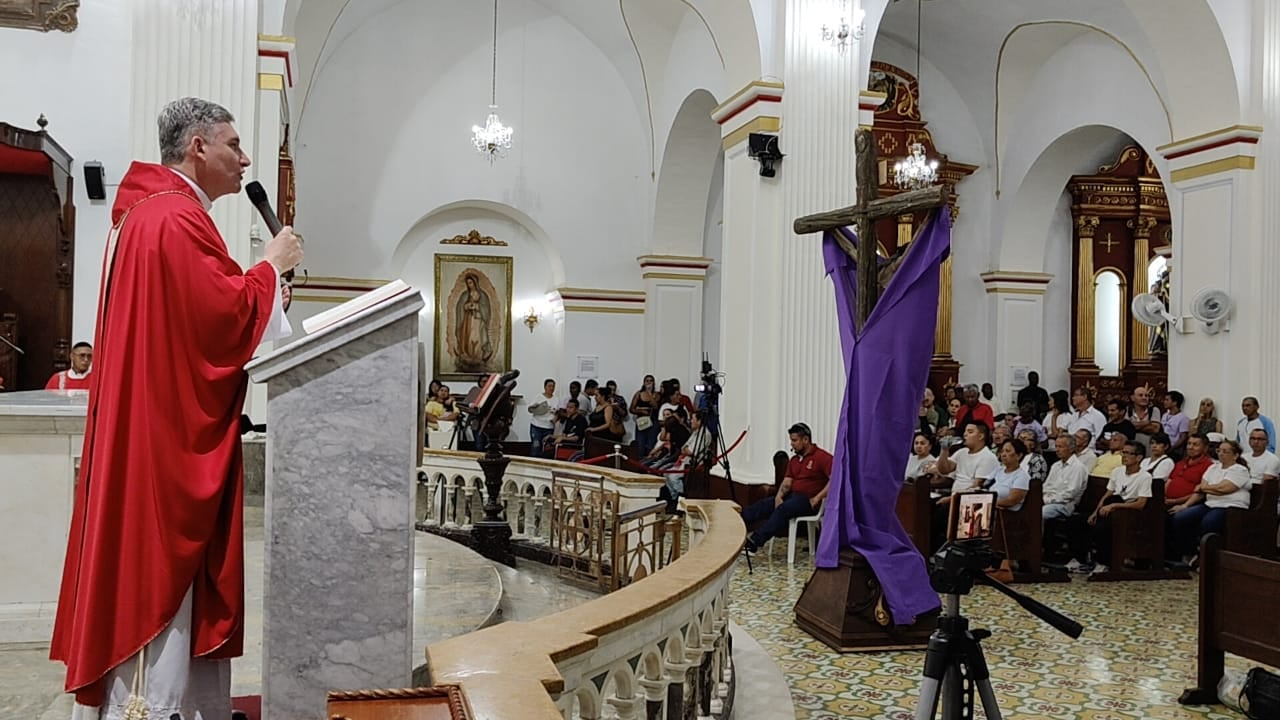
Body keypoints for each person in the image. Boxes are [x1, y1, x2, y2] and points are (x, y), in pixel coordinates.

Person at [50, 97, 303, 719]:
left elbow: (202, 317)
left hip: (151, 432)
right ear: (198, 147)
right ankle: (152, 707)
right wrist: (270, 268)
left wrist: (263, 282)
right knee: (158, 579)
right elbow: (215, 323)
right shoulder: (173, 218)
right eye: (234, 145)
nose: (245, 159)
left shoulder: (151, 212)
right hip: (164, 449)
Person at [742, 423, 833, 554]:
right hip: (793, 497)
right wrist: (779, 496)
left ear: (806, 440)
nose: (792, 444)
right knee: (764, 505)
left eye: (795, 440)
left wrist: (818, 498)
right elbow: (787, 482)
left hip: (809, 501)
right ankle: (733, 527)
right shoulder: (794, 460)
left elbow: (835, 479)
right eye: (791, 440)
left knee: (783, 509)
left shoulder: (823, 457)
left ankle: (755, 542)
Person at [1073, 441, 1153, 574]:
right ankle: (1081, 560)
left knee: (1101, 528)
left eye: (1128, 453)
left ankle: (1104, 562)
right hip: (1108, 509)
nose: (1124, 456)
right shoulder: (1117, 471)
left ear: (1138, 458)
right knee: (1076, 521)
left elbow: (1141, 503)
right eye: (1123, 452)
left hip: (1127, 514)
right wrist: (1095, 512)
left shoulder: (1145, 477)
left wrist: (1115, 506)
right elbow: (1107, 494)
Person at [1169, 439, 1253, 563]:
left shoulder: (1239, 470)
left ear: (1235, 455)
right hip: (1210, 503)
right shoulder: (1213, 468)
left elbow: (1225, 488)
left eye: (1226, 451)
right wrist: (1185, 505)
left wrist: (1206, 488)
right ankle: (1189, 552)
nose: (1221, 454)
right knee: (1181, 518)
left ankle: (1207, 557)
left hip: (1230, 506)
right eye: (1219, 451)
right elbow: (1201, 491)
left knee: (1209, 522)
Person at [455, 272, 492, 370]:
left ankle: (478, 357)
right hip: (468, 321)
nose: (469, 285)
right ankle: (468, 356)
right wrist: (465, 307)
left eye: (471, 282)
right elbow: (459, 308)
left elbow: (486, 310)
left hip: (478, 321)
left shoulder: (483, 295)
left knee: (477, 337)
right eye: (468, 283)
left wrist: (477, 306)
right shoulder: (464, 295)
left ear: (475, 283)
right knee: (469, 337)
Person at [527, 378, 559, 457]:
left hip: (548, 428)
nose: (551, 388)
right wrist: (534, 406)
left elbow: (558, 413)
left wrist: (555, 419)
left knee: (546, 449)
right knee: (536, 447)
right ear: (545, 387)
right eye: (549, 386)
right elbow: (530, 409)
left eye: (553, 386)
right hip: (536, 426)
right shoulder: (538, 397)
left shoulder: (556, 399)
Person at [630, 375, 660, 457]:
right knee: (640, 444)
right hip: (642, 421)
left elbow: (656, 406)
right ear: (644, 382)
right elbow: (631, 409)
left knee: (651, 444)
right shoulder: (638, 394)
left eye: (651, 381)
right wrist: (640, 411)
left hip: (653, 421)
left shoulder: (657, 394)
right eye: (647, 381)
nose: (649, 382)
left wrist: (650, 395)